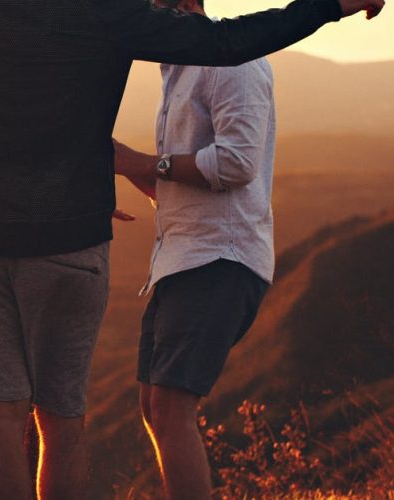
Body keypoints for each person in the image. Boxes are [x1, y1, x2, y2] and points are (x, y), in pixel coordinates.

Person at [0, 0, 386, 496]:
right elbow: (220, 64)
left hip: (185, 253)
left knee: (20, 412)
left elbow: (236, 159)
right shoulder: (136, 39)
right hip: (114, 248)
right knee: (102, 414)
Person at [112, 0, 278, 497]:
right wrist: (123, 166)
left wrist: (144, 161)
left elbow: (237, 163)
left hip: (220, 258)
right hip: (180, 259)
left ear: (184, 6)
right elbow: (182, 182)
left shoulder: (234, 61)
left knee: (169, 405)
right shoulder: (177, 70)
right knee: (154, 406)